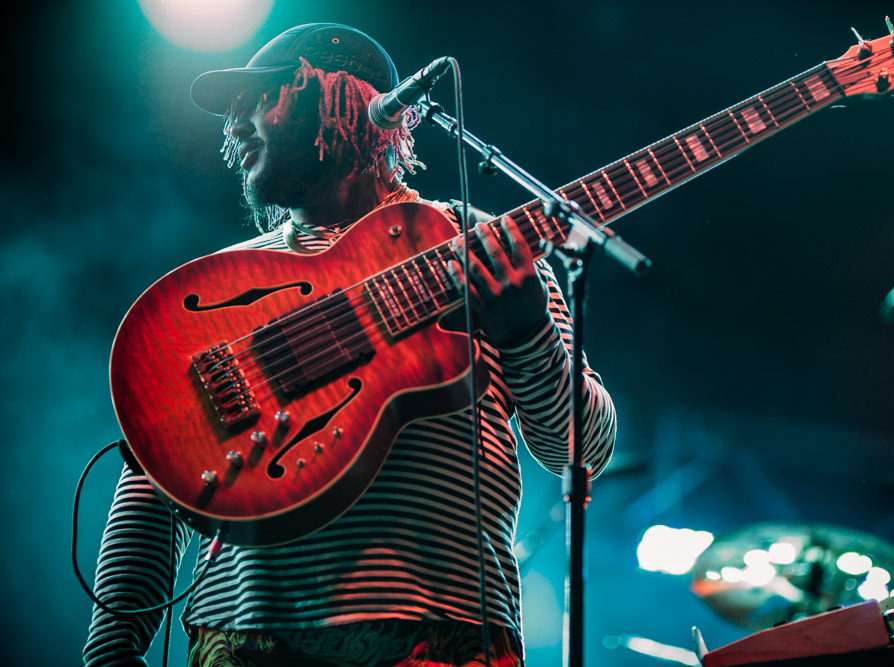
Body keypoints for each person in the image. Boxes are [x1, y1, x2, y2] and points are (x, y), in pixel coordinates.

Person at [83, 23, 616, 667]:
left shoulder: (477, 246)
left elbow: (576, 451)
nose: (236, 122)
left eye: (263, 97)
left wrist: (528, 333)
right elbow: (151, 476)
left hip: (440, 632)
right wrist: (110, 653)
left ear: (344, 100)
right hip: (245, 638)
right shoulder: (218, 287)